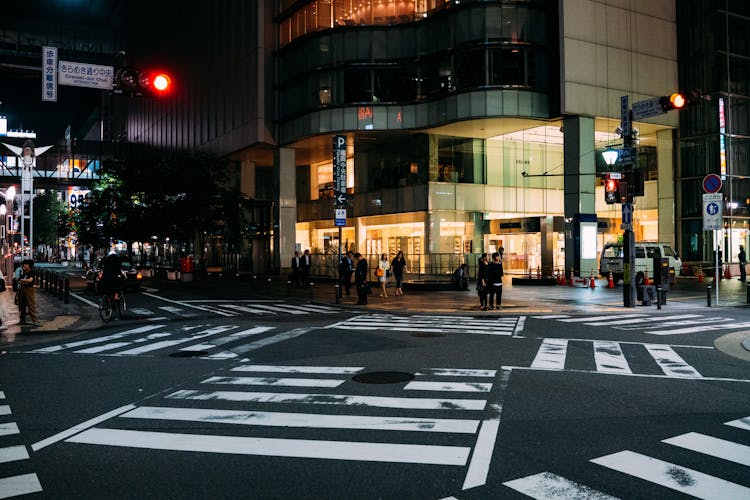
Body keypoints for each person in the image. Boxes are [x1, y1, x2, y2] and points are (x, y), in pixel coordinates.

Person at [17, 259, 38, 326]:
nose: (24, 265)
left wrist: (23, 280)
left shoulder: (31, 272)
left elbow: (30, 280)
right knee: (22, 306)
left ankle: (35, 321)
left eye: (26, 264)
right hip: (22, 289)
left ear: (29, 265)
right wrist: (22, 281)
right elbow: (19, 280)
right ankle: (22, 320)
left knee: (31, 305)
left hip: (29, 289)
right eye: (24, 264)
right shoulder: (24, 272)